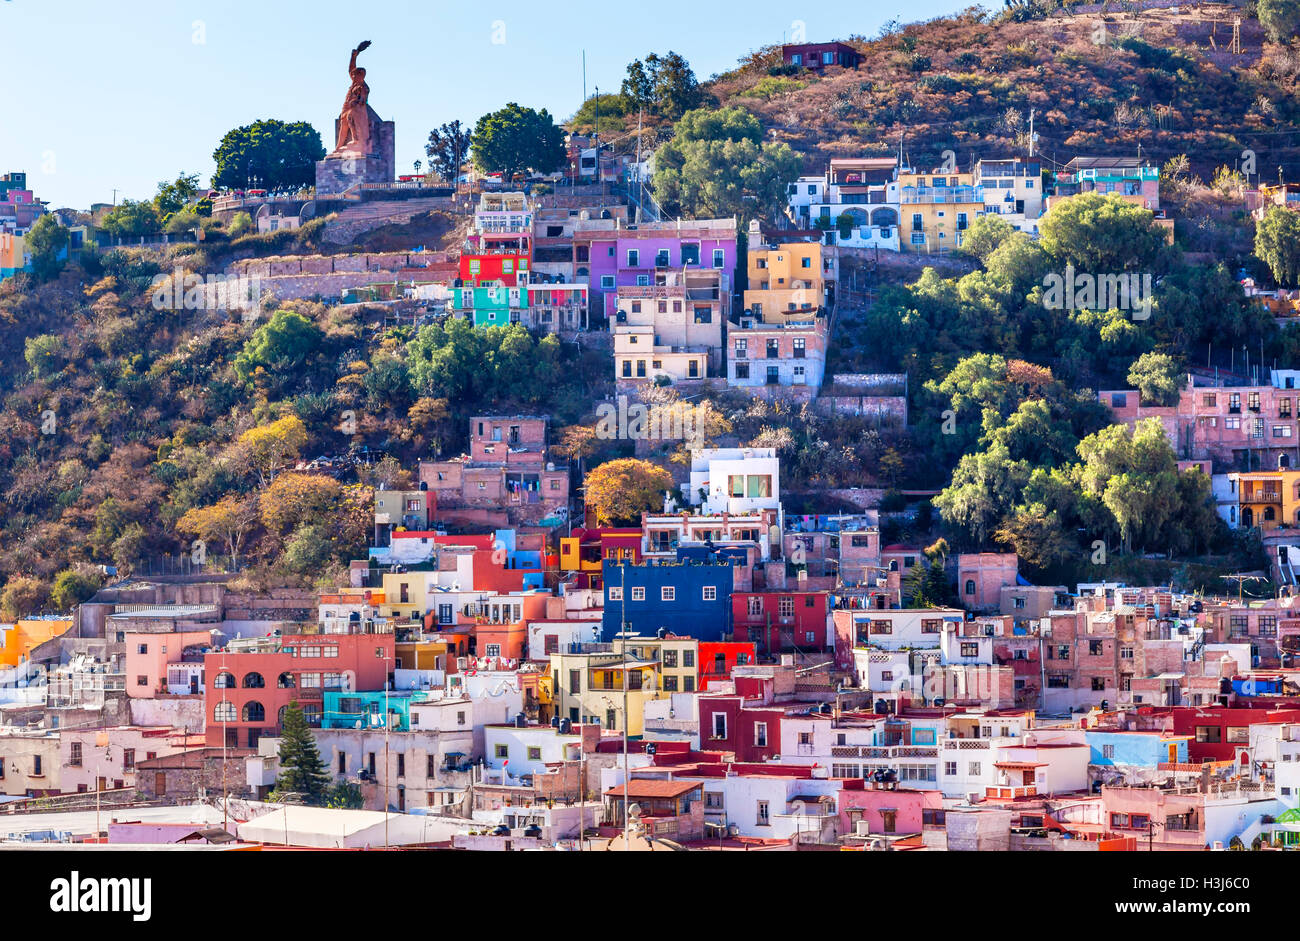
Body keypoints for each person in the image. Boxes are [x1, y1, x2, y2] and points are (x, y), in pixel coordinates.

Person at [334, 41, 373, 156]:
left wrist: (355, 101)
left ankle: (356, 140)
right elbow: (351, 69)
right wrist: (353, 57)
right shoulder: (354, 83)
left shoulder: (364, 87)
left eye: (356, 74)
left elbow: (363, 101)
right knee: (343, 125)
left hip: (356, 111)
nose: (353, 75)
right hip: (347, 106)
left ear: (361, 75)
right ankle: (339, 146)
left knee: (351, 118)